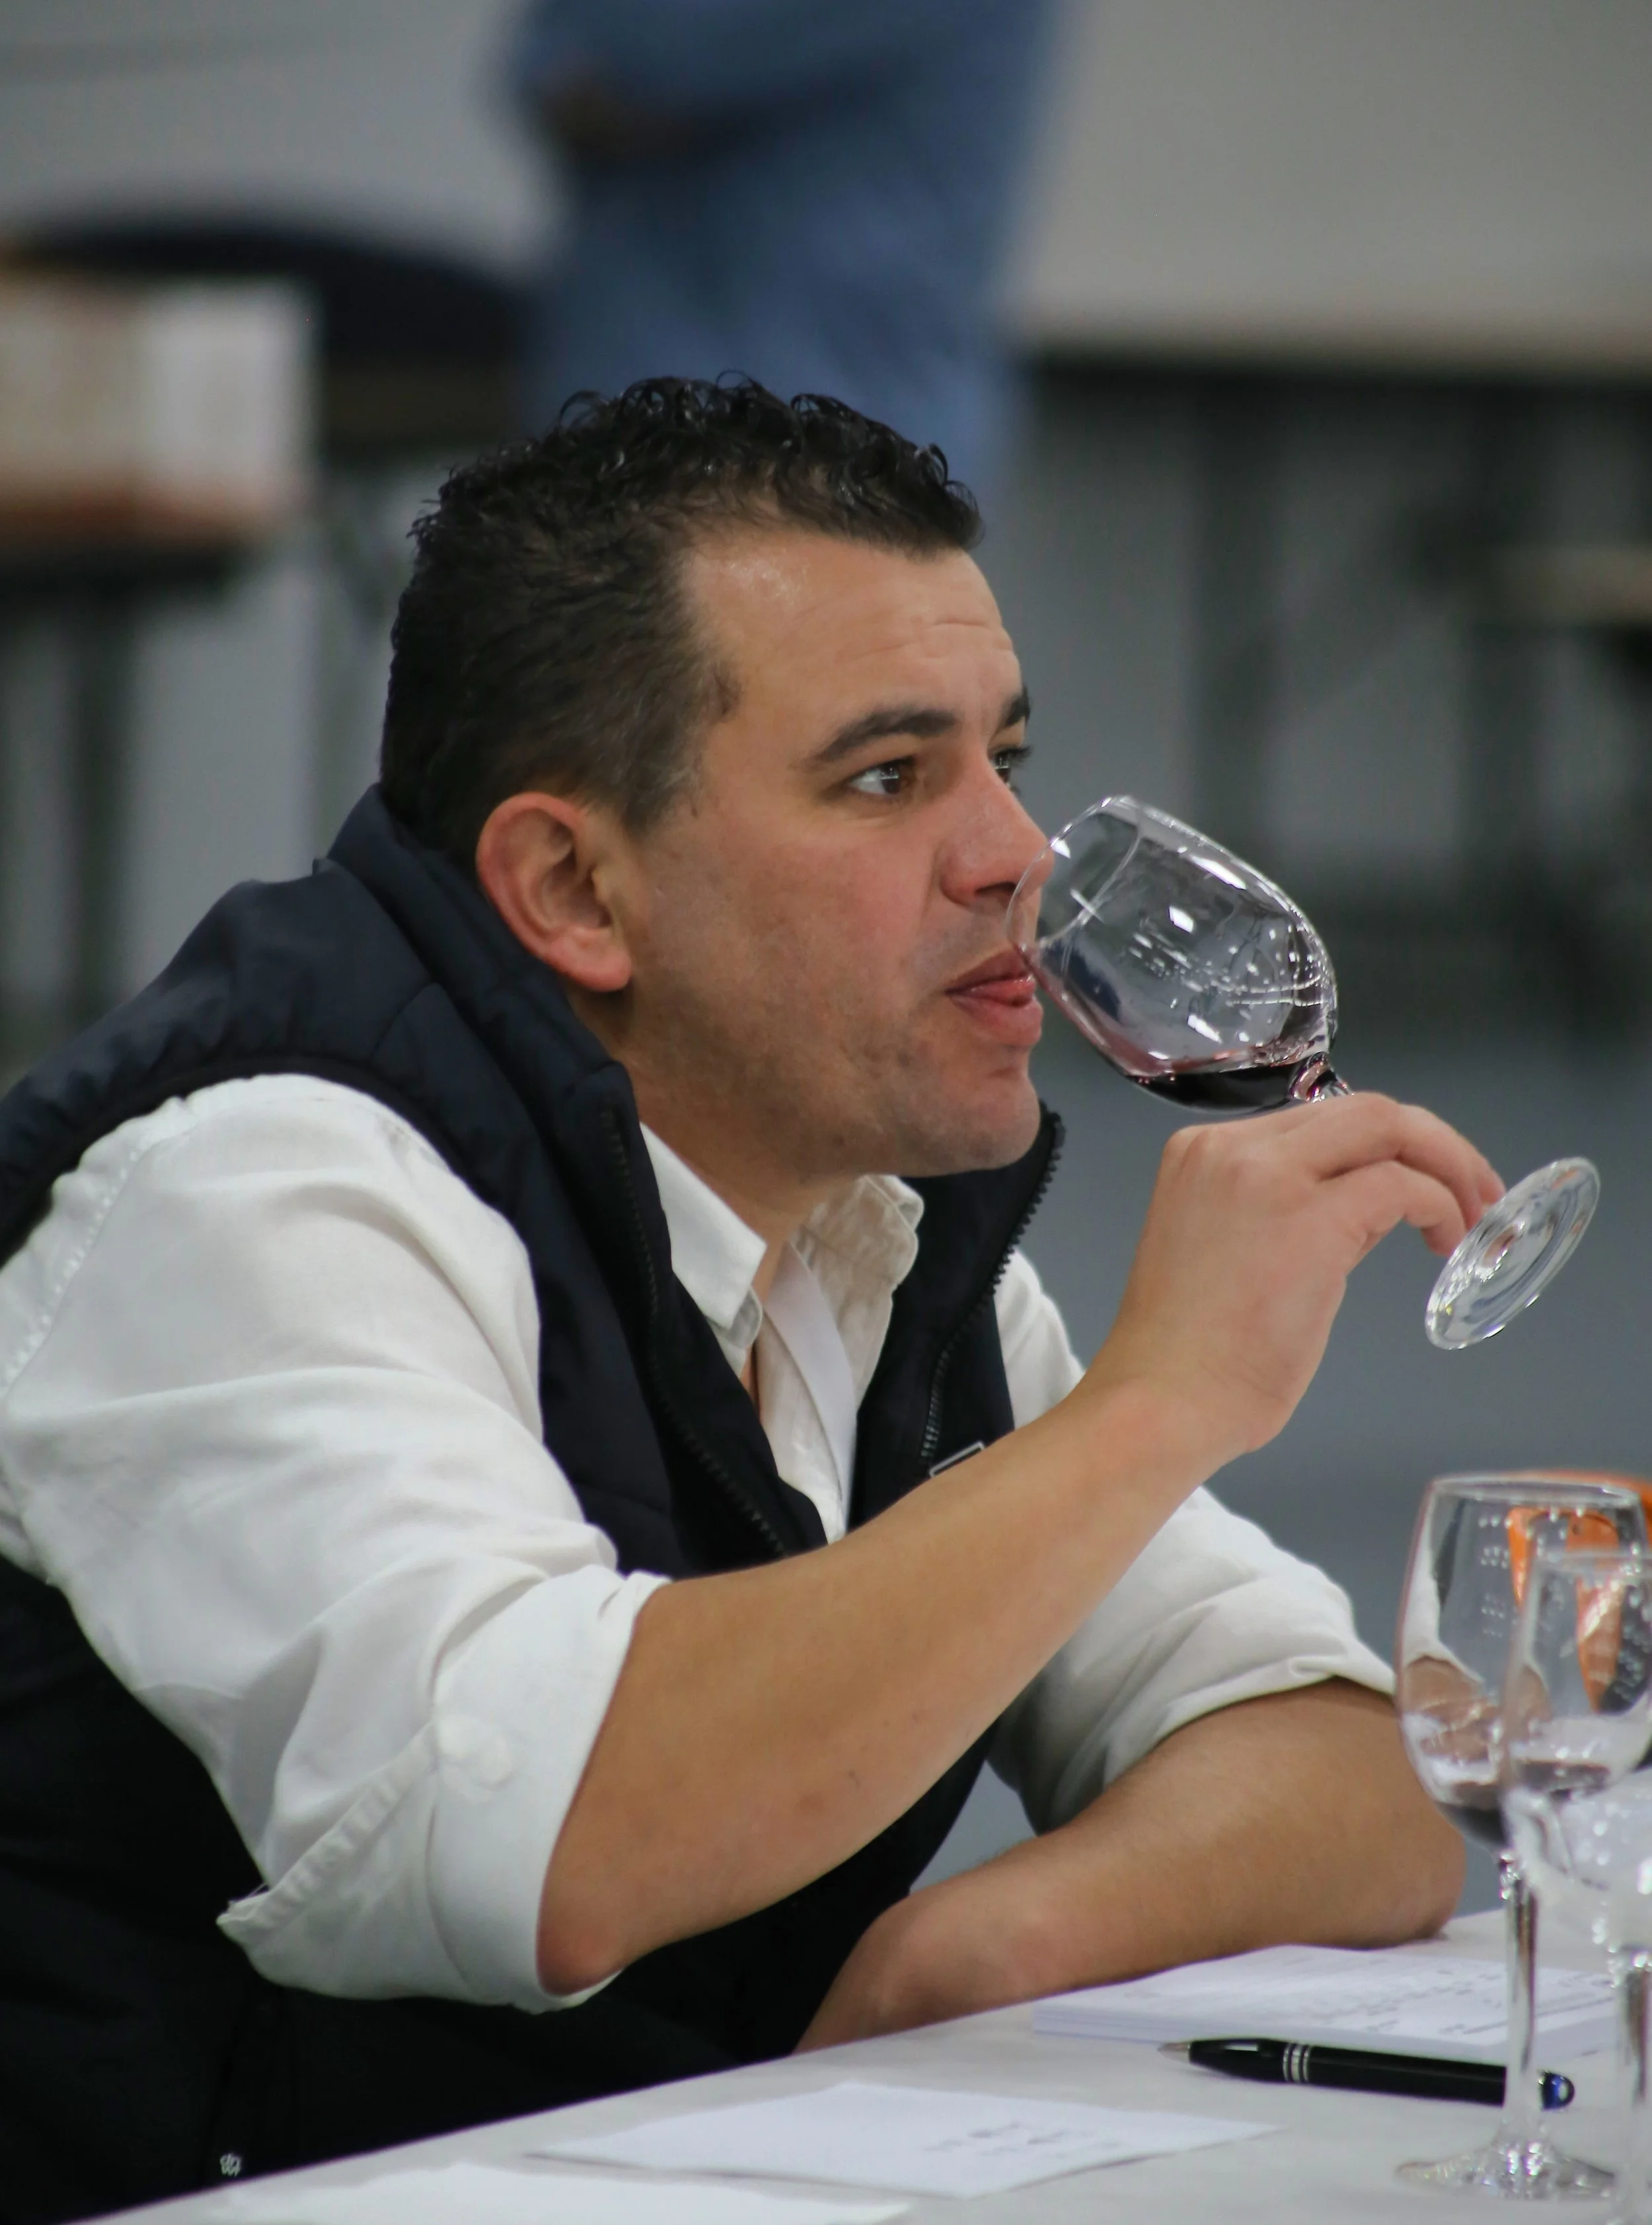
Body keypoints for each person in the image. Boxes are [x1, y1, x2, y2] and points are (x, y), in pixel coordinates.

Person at [0, 381, 1482, 2223]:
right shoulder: (257, 1187)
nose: (1014, 853)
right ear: (572, 884)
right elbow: (542, 1835)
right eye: (886, 776)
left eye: (1003, 754)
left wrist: (967, 1957)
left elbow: (1364, 1776)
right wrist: (1151, 1407)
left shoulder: (872, 1226)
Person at [509, 0, 1066, 496]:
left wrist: (610, 82)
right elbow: (543, 60)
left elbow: (652, 50)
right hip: (625, 410)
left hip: (827, 447)